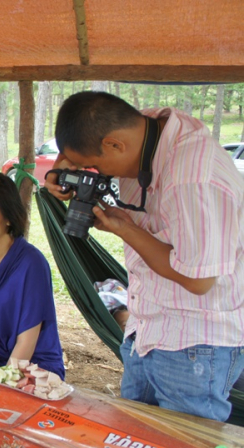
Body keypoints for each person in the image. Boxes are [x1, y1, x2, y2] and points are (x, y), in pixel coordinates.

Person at [45, 91, 244, 421]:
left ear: (115, 145)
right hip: (147, 328)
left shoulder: (192, 179)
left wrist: (125, 228)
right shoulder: (146, 126)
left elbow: (198, 280)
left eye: (92, 166)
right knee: (134, 441)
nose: (95, 174)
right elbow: (92, 136)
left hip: (193, 342)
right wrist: (62, 170)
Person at [0, 171, 64, 378]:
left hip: (31, 369)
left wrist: (3, 381)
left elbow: (26, 342)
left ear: (8, 217)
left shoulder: (31, 264)